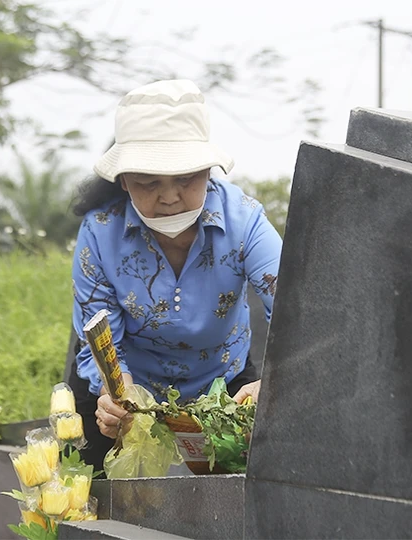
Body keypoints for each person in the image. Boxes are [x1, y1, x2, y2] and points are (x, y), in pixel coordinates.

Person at [66, 79, 282, 469]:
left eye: (185, 179)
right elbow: (102, 338)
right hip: (126, 388)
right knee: (91, 489)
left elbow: (295, 315)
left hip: (225, 387)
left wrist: (275, 386)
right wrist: (118, 398)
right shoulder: (99, 232)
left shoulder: (245, 222)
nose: (169, 198)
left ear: (208, 171)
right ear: (124, 180)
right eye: (148, 183)